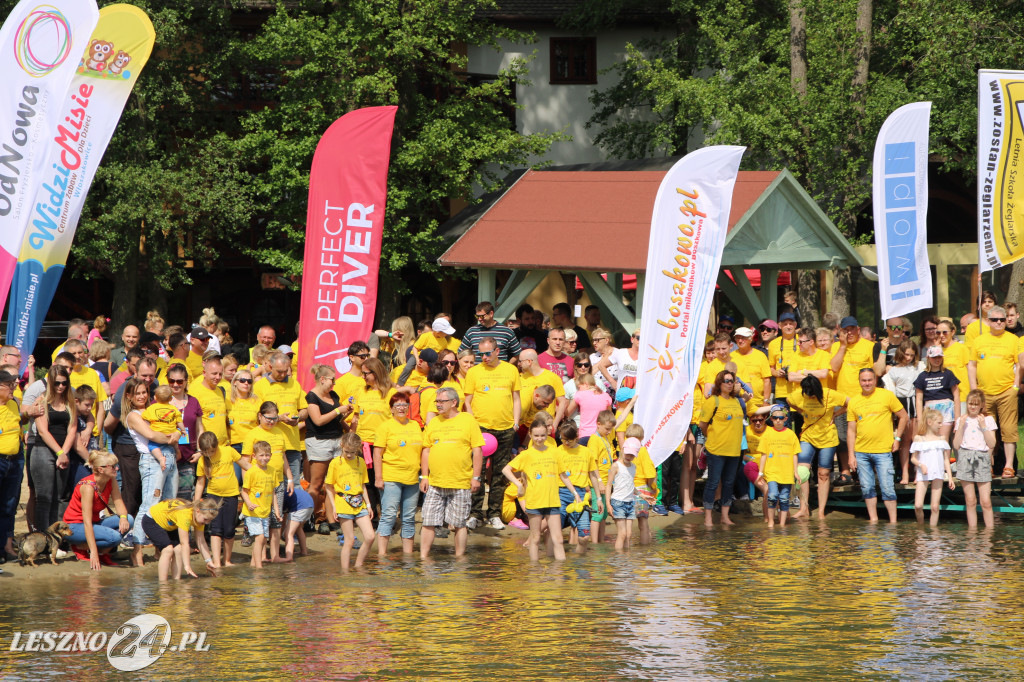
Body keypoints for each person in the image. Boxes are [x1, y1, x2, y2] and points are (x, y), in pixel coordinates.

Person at [502, 418, 580, 561]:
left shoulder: (554, 452)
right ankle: (534, 571)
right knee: (536, 538)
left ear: (547, 435)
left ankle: (559, 573)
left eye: (543, 435)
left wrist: (575, 493)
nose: (540, 438)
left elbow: (563, 475)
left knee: (558, 539)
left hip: (553, 502)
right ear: (530, 435)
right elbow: (506, 470)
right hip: (534, 502)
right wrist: (519, 484)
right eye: (536, 435)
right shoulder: (526, 455)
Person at [419, 387, 484, 559]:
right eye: (437, 401)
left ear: (454, 402)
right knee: (428, 521)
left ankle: (459, 559)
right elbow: (426, 450)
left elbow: (477, 451)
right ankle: (424, 558)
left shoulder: (468, 421)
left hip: (461, 481)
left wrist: (475, 478)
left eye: (442, 401)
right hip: (435, 482)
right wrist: (424, 476)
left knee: (459, 523)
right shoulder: (434, 422)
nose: (438, 405)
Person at [464, 338, 521, 530]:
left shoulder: (510, 370)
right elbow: (468, 401)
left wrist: (515, 422)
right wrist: (472, 424)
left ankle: (494, 513)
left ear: (497, 351)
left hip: (505, 428)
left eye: (487, 353)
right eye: (481, 354)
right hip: (481, 428)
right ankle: (475, 513)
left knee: (500, 472)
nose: (484, 357)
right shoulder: (474, 371)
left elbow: (516, 397)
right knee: (477, 471)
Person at [123, 377, 179, 566]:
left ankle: (160, 546)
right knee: (149, 505)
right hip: (151, 460)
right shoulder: (133, 416)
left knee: (168, 504)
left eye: (144, 392)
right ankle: (137, 550)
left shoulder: (155, 410)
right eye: (137, 393)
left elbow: (177, 427)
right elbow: (151, 435)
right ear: (129, 396)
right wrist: (173, 436)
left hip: (169, 456)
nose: (141, 396)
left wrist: (177, 433)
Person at [967, 305, 1022, 479]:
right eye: (995, 320)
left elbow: (1019, 364)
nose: (999, 322)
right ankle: (987, 464)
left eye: (1002, 319)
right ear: (988, 321)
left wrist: (1015, 386)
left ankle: (1008, 466)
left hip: (1007, 391)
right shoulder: (979, 340)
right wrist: (973, 388)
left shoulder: (1013, 339)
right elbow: (972, 365)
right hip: (984, 392)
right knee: (987, 430)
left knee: (1008, 429)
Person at [847, 369, 908, 523]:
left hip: (883, 451)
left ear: (875, 380)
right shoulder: (854, 401)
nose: (867, 383)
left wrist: (898, 438)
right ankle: (873, 520)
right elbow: (851, 431)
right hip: (861, 452)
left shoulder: (886, 395)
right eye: (863, 380)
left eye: (869, 380)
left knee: (887, 488)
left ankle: (893, 522)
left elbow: (903, 416)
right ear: (859, 381)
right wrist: (851, 455)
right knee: (867, 487)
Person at [788, 375, 848, 520]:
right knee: (801, 472)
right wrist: (801, 412)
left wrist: (836, 414)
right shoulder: (800, 395)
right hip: (808, 435)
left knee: (823, 474)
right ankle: (804, 508)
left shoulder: (829, 394)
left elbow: (850, 403)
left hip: (828, 437)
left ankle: (821, 511)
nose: (810, 396)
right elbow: (789, 399)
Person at [830, 316, 879, 487]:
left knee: (864, 436)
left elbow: (876, 371)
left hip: (864, 398)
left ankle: (864, 470)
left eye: (852, 329)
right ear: (840, 331)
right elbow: (834, 367)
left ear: (858, 330)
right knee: (842, 438)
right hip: (841, 399)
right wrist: (843, 346)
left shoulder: (869, 346)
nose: (849, 332)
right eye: (845, 329)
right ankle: (845, 471)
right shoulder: (836, 346)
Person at [62, 450, 131, 569]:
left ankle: (102, 552)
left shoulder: (111, 479)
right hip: (74, 526)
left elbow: (118, 502)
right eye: (113, 466)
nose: (117, 469)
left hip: (94, 522)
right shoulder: (88, 487)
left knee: (129, 519)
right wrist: (92, 553)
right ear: (101, 470)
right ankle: (82, 547)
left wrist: (123, 518)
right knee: (114, 537)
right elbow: (87, 522)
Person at [241, 402, 293, 560]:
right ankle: (261, 556)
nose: (271, 421)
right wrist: (248, 488)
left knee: (276, 520)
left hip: (277, 482)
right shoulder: (252, 434)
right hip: (258, 486)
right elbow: (244, 462)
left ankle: (275, 555)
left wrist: (289, 477)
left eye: (274, 418)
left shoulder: (279, 432)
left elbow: (282, 456)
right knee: (262, 520)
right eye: (268, 418)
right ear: (259, 416)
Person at [373, 393, 423, 556]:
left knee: (408, 517)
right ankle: (382, 555)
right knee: (389, 515)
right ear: (391, 409)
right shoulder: (385, 426)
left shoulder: (415, 425)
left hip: (412, 478)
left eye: (405, 405)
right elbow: (377, 453)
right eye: (397, 405)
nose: (402, 408)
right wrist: (379, 478)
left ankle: (407, 556)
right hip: (391, 477)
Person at [31, 365, 79, 532]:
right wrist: (59, 452)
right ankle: (43, 537)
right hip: (43, 450)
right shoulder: (41, 401)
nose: (61, 386)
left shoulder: (70, 402)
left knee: (58, 498)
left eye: (64, 383)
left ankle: (54, 539)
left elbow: (72, 429)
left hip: (63, 452)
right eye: (57, 383)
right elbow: (43, 431)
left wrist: (64, 453)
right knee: (44, 498)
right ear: (50, 382)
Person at [254, 351, 308, 495]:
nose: (283, 375)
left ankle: (291, 518)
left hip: (291, 444)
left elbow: (304, 409)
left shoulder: (294, 384)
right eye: (279, 371)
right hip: (269, 447)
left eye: (286, 371)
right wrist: (278, 419)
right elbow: (257, 416)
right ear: (270, 367)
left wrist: (298, 417)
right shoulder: (260, 386)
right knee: (270, 486)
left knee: (293, 486)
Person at [698, 370, 745, 526]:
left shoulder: (737, 401)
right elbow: (703, 424)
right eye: (726, 380)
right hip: (716, 449)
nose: (730, 383)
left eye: (732, 380)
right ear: (719, 383)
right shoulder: (713, 401)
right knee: (712, 483)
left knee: (729, 483)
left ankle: (725, 516)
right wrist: (711, 437)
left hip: (734, 450)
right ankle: (708, 517)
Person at [194, 432, 247, 568]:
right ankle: (217, 562)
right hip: (213, 496)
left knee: (229, 529)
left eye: (212, 451)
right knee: (216, 529)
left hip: (231, 495)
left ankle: (227, 560)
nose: (210, 454)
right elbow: (200, 483)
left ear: (217, 446)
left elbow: (246, 465)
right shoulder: (202, 461)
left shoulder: (228, 451)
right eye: (206, 452)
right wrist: (196, 503)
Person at [326, 432, 376, 570]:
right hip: (343, 502)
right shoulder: (335, 463)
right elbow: (328, 486)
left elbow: (363, 485)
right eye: (347, 451)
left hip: (360, 503)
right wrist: (334, 507)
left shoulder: (360, 462)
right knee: (349, 540)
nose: (349, 455)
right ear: (341, 446)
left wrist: (369, 505)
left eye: (353, 452)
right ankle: (345, 572)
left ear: (358, 449)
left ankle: (359, 566)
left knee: (370, 536)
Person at [304, 364, 345, 534]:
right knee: (316, 483)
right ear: (322, 379)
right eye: (332, 380)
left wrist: (345, 416)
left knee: (332, 482)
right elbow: (318, 420)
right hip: (319, 441)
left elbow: (338, 418)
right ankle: (308, 518)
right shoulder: (311, 397)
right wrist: (337, 411)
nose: (334, 383)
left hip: (336, 440)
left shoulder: (333, 395)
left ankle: (330, 518)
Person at [141, 497, 219, 580]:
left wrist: (208, 561)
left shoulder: (199, 518)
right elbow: (184, 543)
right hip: (152, 520)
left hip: (169, 523)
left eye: (209, 521)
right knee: (168, 550)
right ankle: (163, 585)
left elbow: (201, 541)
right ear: (198, 511)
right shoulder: (185, 515)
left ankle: (176, 581)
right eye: (206, 519)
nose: (206, 523)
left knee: (178, 550)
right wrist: (187, 566)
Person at [555, 421, 603, 551]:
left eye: (569, 440)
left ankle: (579, 563)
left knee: (584, 536)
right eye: (563, 439)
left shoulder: (586, 452)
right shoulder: (558, 452)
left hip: (582, 494)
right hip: (562, 493)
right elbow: (561, 475)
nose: (566, 443)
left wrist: (598, 498)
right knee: (556, 531)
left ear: (576, 437)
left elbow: (592, 475)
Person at [878, 340, 921, 484]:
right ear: (901, 353)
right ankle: (904, 474)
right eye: (906, 354)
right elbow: (890, 387)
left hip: (915, 401)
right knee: (904, 441)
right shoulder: (894, 370)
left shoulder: (919, 367)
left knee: (915, 438)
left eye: (912, 355)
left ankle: (917, 472)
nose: (908, 358)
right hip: (900, 402)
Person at [953, 389, 997, 528]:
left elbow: (992, 443)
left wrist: (983, 427)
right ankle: (972, 532)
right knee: (970, 500)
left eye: (976, 404)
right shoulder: (962, 419)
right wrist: (960, 426)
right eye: (970, 403)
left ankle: (989, 532)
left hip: (982, 457)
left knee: (985, 501)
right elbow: (955, 444)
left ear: (981, 405)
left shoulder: (988, 420)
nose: (972, 406)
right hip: (965, 456)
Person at [757, 405, 801, 528]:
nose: (778, 420)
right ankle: (771, 522)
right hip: (772, 471)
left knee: (784, 498)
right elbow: (764, 454)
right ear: (771, 419)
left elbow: (795, 454)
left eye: (780, 418)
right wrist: (760, 472)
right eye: (775, 417)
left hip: (786, 472)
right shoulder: (767, 434)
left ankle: (782, 525)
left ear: (785, 419)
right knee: (772, 495)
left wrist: (795, 472)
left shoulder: (791, 434)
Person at [911, 409, 955, 526]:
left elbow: (946, 459)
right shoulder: (919, 439)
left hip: (938, 473)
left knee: (935, 506)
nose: (941, 425)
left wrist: (950, 477)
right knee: (918, 505)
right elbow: (913, 458)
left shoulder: (941, 439)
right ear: (930, 422)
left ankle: (933, 532)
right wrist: (921, 465)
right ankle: (920, 526)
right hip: (923, 473)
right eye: (939, 423)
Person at [165, 364, 202, 500]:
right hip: (166, 456)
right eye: (172, 381)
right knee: (167, 497)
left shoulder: (193, 401)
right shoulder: (160, 402)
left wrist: (200, 451)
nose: (175, 384)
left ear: (186, 381)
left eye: (179, 381)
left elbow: (200, 428)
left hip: (188, 456)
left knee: (184, 498)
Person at [240, 440, 279, 569]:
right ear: (254, 456)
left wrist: (277, 511)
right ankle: (259, 567)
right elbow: (244, 491)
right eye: (261, 455)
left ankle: (253, 564)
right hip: (253, 511)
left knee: (262, 540)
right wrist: (249, 503)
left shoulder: (272, 471)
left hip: (265, 511)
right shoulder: (251, 472)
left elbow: (273, 492)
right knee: (260, 537)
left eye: (267, 455)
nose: (265, 458)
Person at [913, 345, 960, 444]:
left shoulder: (948, 374)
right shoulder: (922, 376)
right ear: (928, 358)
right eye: (934, 357)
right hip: (930, 409)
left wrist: (957, 417)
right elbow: (919, 399)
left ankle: (946, 459)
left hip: (946, 408)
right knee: (930, 439)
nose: (937, 359)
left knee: (943, 439)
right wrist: (920, 418)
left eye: (939, 357)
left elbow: (956, 395)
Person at [141, 386, 185, 489]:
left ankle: (161, 458)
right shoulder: (174, 409)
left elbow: (144, 418)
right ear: (171, 398)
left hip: (158, 434)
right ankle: (178, 452)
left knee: (152, 446)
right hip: (171, 434)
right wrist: (182, 430)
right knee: (175, 444)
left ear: (155, 397)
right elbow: (179, 421)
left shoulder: (151, 408)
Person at [0, 370, 23, 562]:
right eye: (9, 385)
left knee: (8, 506)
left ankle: (5, 548)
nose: (13, 388)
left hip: (14, 460)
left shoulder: (14, 403)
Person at [518, 349, 567, 431]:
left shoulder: (552, 377)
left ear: (529, 361)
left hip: (546, 426)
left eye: (521, 361)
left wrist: (554, 424)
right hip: (524, 426)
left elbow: (562, 402)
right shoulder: (520, 378)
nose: (519, 364)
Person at [587, 409, 617, 541]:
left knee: (604, 514)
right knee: (597, 514)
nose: (609, 432)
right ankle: (594, 543)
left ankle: (600, 541)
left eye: (611, 429)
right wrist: (599, 481)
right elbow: (592, 464)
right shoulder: (594, 440)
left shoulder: (605, 437)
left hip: (607, 482)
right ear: (598, 424)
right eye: (607, 429)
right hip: (598, 483)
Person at [605, 437, 640, 551]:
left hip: (630, 502)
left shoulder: (633, 467)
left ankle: (627, 561)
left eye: (632, 455)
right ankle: (619, 560)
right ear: (623, 450)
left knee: (629, 535)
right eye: (628, 453)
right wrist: (608, 504)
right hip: (618, 502)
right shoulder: (616, 466)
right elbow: (609, 485)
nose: (629, 457)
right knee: (622, 534)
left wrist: (643, 495)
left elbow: (630, 485)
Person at [732, 327, 772, 415]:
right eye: (738, 338)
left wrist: (766, 400)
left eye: (743, 338)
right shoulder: (731, 357)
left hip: (758, 402)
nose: (740, 340)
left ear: (750, 339)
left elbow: (767, 380)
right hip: (738, 401)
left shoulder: (760, 356)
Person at [937, 319, 970, 414]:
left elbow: (970, 370)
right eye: (938, 333)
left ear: (952, 332)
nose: (941, 335)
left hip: (962, 394)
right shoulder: (937, 351)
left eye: (944, 332)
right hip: (944, 396)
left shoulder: (961, 348)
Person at [567, 373, 612, 441]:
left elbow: (568, 412)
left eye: (579, 387)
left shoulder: (580, 394)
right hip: (601, 435)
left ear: (586, 384)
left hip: (585, 434)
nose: (578, 389)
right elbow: (609, 415)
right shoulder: (606, 396)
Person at [768, 312, 800, 406]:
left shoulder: (802, 340)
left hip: (799, 389)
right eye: (785, 324)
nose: (788, 326)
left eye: (791, 324)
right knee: (782, 419)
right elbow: (770, 368)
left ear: (795, 325)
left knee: (802, 421)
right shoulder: (773, 344)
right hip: (782, 392)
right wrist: (777, 373)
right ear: (779, 326)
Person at [283, 486, 314, 561]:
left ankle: (289, 557)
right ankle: (304, 551)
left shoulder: (280, 494)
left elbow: (282, 517)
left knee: (288, 534)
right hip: (310, 505)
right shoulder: (286, 490)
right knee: (299, 528)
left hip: (300, 507)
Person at [588, 328, 617, 396]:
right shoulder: (592, 357)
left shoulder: (618, 354)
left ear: (606, 340)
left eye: (597, 340)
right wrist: (604, 360)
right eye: (593, 340)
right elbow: (588, 375)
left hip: (615, 393)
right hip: (596, 395)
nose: (594, 343)